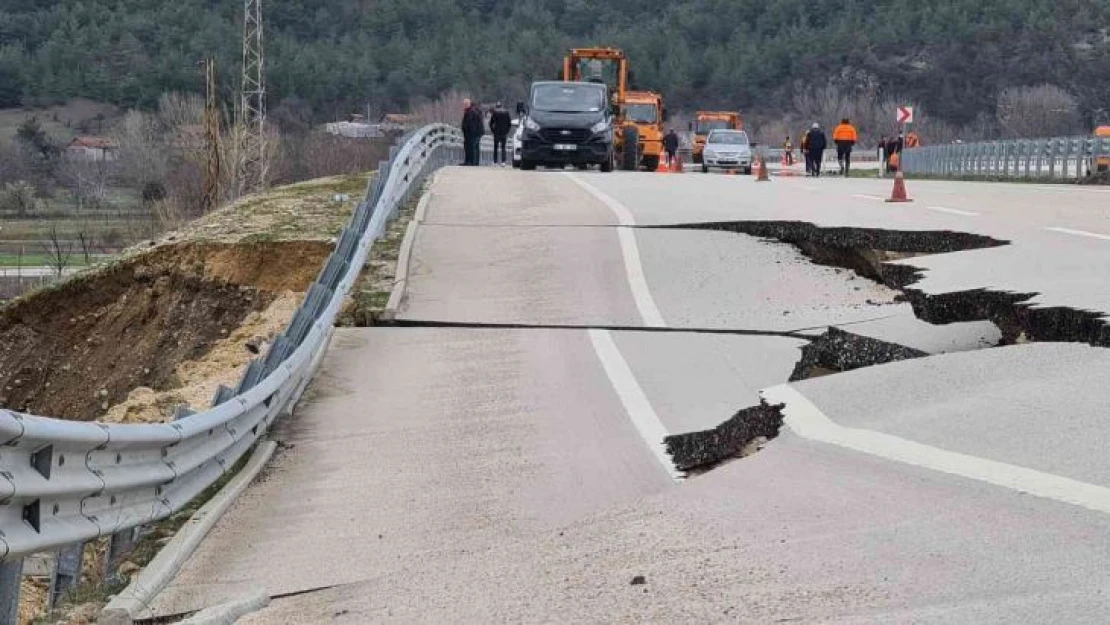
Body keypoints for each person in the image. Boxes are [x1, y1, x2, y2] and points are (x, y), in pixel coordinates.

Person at [461, 99, 484, 166]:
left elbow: (470, 124)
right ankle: (475, 162)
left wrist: (468, 131)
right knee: (475, 147)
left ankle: (471, 162)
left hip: (472, 133)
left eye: (464, 104)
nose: (463, 106)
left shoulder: (470, 112)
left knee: (471, 147)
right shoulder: (476, 111)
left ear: (467, 104)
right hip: (478, 132)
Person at [488, 102, 512, 167]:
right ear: (502, 106)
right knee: (503, 148)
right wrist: (507, 131)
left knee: (495, 148)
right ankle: (503, 162)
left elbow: (490, 123)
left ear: (496, 106)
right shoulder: (506, 113)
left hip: (496, 133)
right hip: (504, 133)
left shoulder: (495, 113)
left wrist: (493, 131)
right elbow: (509, 124)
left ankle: (495, 162)